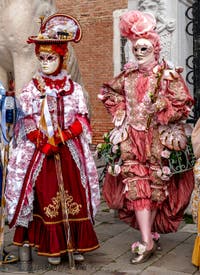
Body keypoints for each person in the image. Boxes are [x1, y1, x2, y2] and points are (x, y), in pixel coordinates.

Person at [99, 10, 194, 264]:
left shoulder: (166, 75)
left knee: (154, 189)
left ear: (155, 48)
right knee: (136, 187)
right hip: (132, 139)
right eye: (136, 49)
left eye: (145, 48)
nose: (139, 53)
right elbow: (111, 93)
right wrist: (120, 113)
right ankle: (147, 240)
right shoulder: (128, 76)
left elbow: (182, 103)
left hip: (156, 141)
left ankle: (147, 236)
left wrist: (161, 106)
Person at [5, 13, 100, 265]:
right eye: (42, 58)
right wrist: (42, 141)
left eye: (51, 58)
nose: (46, 63)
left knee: (75, 193)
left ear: (62, 58)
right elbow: (26, 122)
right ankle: (52, 246)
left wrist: (64, 135)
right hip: (43, 152)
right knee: (45, 194)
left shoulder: (74, 89)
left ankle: (75, 243)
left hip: (69, 150)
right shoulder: (32, 89)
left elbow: (82, 118)